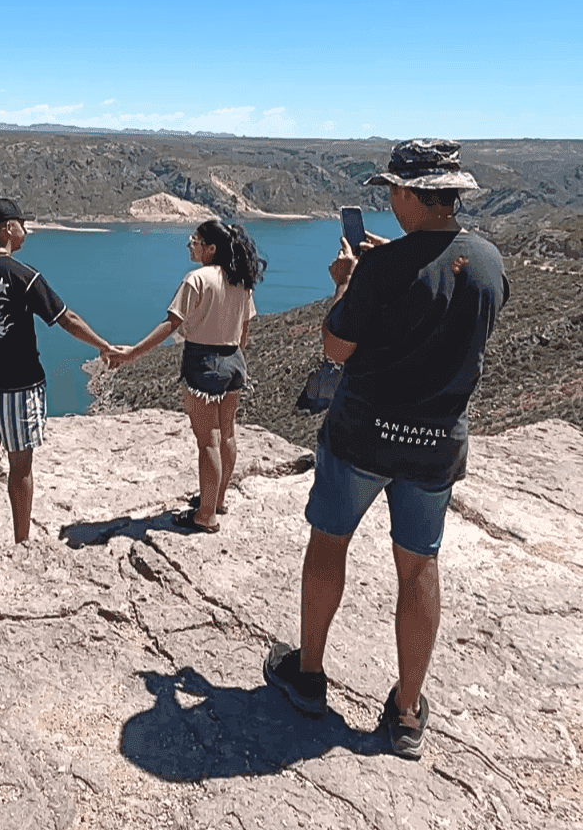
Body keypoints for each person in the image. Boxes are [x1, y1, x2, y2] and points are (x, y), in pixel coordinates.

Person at [263, 140, 510, 759]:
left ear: (410, 195)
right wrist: (394, 265)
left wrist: (350, 284)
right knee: (419, 565)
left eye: (392, 192)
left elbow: (336, 347)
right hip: (435, 445)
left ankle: (310, 675)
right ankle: (405, 713)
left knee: (329, 543)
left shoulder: (376, 270)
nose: (389, 201)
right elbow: (453, 308)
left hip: (361, 437)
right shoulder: (486, 261)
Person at [0, 199, 114, 543]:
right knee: (21, 463)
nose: (27, 231)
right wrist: (104, 346)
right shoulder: (24, 275)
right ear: (7, 228)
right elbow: (66, 318)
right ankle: (22, 541)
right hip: (20, 385)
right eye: (22, 224)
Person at [105, 220, 265, 532]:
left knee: (207, 441)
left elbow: (171, 324)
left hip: (202, 361)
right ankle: (217, 500)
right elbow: (244, 334)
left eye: (195, 240)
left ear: (211, 249)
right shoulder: (241, 281)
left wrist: (132, 353)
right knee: (228, 434)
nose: (189, 244)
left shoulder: (196, 280)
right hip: (234, 361)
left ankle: (205, 516)